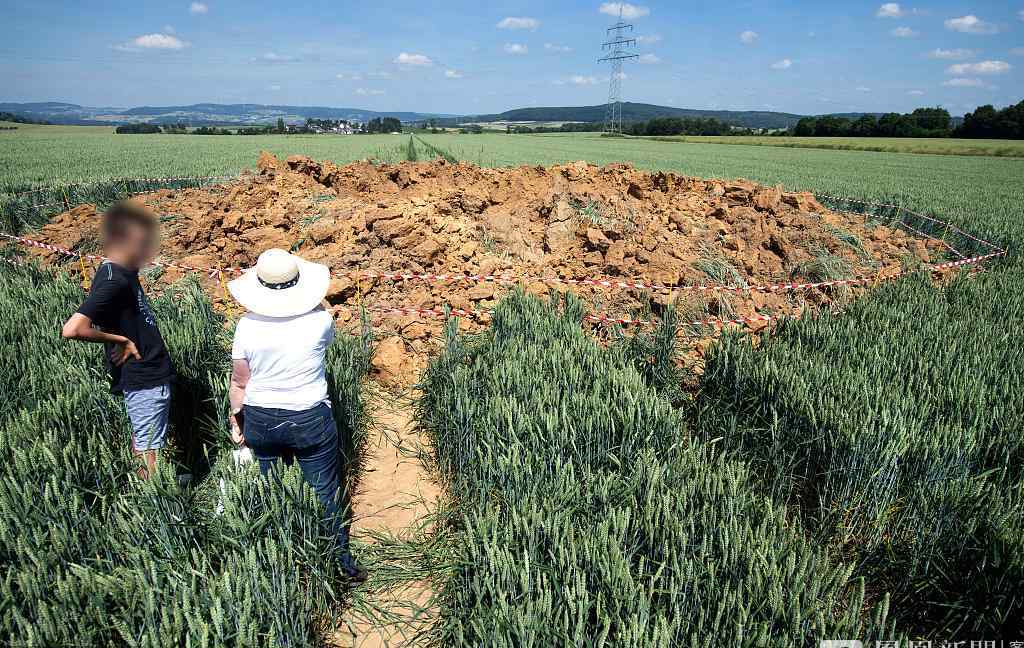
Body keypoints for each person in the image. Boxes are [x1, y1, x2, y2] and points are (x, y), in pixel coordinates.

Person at [227, 248, 366, 583]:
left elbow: (239, 381)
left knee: (272, 489)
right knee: (324, 491)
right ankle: (341, 566)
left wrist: (237, 422)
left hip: (260, 419)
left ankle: (282, 563)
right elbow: (323, 336)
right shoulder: (320, 320)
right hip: (309, 418)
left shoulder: (246, 326)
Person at [61, 201, 175, 480]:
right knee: (148, 448)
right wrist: (121, 340)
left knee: (144, 441)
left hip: (143, 372)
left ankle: (152, 491)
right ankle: (154, 502)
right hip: (144, 374)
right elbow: (73, 328)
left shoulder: (118, 271)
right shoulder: (115, 281)